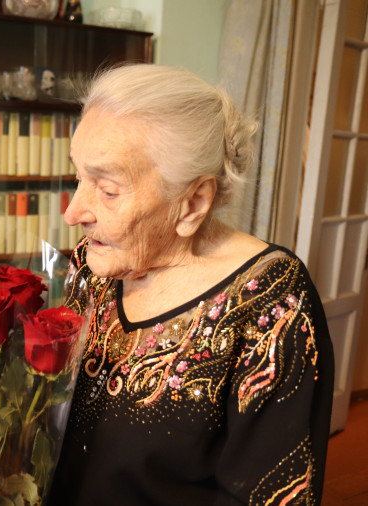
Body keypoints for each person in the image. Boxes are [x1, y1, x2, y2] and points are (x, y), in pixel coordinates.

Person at [49, 64, 335, 505]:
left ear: (193, 202)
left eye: (108, 189)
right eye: (78, 178)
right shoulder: (94, 262)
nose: (73, 213)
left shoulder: (272, 302)